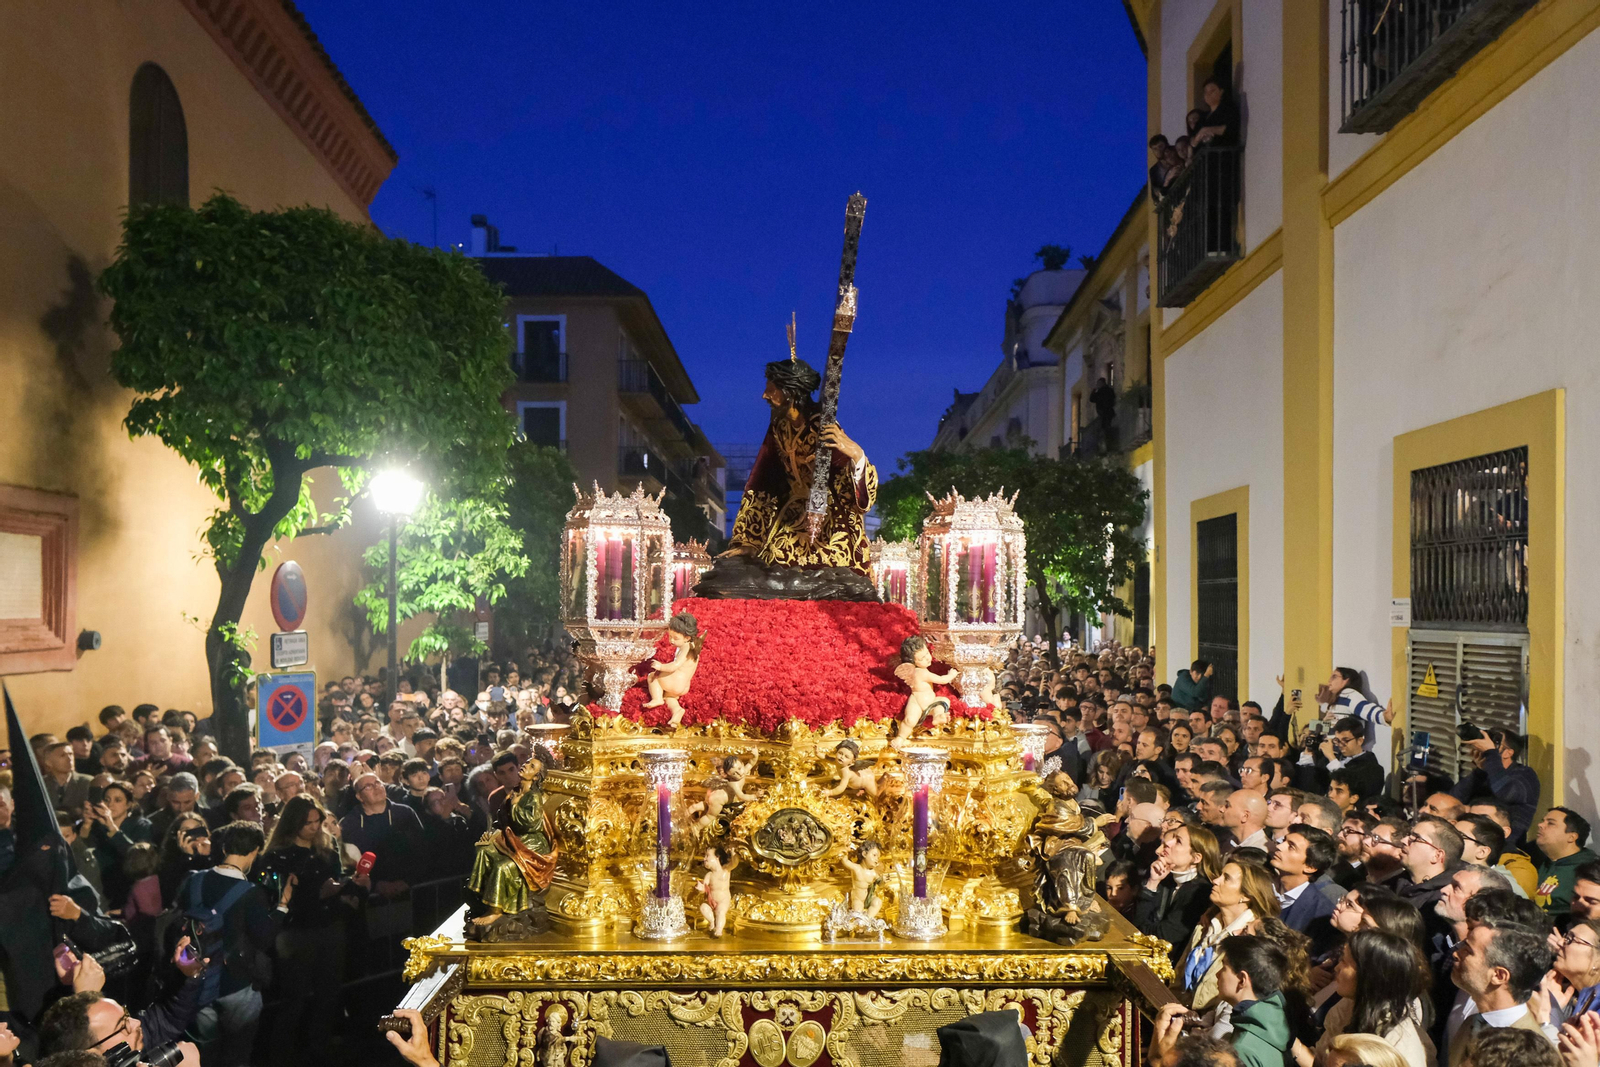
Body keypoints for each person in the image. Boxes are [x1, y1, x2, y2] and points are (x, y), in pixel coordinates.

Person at [257, 794, 362, 1066]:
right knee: (293, 998)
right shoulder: (277, 856)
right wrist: (318, 893)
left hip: (329, 927)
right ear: (294, 824)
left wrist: (351, 890)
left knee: (328, 993)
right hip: (296, 933)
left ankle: (320, 1047)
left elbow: (338, 880)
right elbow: (275, 895)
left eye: (317, 821)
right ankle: (282, 1055)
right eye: (308, 823)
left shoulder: (326, 849)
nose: (315, 827)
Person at [179, 821, 292, 1066]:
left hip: (196, 980)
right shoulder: (250, 892)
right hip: (236, 983)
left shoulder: (193, 881)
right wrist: (282, 906)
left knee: (204, 1054)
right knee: (237, 1053)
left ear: (224, 848)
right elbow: (263, 939)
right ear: (255, 851)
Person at [1303, 929, 1436, 1067]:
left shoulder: (1397, 1045)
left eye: (1344, 962)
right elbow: (1319, 1059)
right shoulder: (1347, 1006)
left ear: (1370, 976)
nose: (1337, 968)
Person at [1447, 918, 1554, 1066]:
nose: (1456, 954)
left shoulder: (1531, 1055)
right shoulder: (1472, 1023)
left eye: (1468, 951)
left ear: (1499, 976)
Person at [1178, 861, 1281, 1012]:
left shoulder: (1253, 939)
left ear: (1246, 896)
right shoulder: (1205, 925)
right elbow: (1179, 974)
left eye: (1226, 878)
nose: (1215, 880)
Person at [1137, 824, 1223, 965]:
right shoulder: (1166, 877)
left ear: (1196, 858)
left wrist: (1145, 926)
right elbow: (1138, 924)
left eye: (1178, 841)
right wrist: (1152, 883)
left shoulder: (1200, 892)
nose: (1168, 843)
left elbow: (1161, 936)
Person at [339, 772, 425, 895]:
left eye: (378, 783)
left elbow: (421, 849)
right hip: (370, 896)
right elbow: (347, 864)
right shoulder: (349, 823)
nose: (376, 788)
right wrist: (374, 884)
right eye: (368, 786)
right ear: (359, 796)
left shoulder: (404, 813)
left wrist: (408, 881)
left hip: (410, 889)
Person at [1217, 936, 1295, 1067]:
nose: (1217, 974)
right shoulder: (1275, 1028)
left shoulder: (1243, 1050)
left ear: (1242, 980)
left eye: (1224, 967)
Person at [1451, 731, 1539, 847]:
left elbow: (1505, 792)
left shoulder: (1525, 775)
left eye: (1494, 744)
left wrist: (1491, 754)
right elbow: (1454, 800)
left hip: (1502, 846)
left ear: (1508, 753)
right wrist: (1479, 771)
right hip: (1469, 839)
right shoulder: (1486, 774)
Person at [1274, 825, 1344, 953]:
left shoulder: (1321, 915)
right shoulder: (1261, 886)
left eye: (1291, 846)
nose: (1279, 847)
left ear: (1310, 867)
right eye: (1284, 841)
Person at [1534, 919, 1600, 1036]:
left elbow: (1566, 1053)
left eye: (1571, 939)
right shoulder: (1584, 997)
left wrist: (1548, 1013)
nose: (1560, 942)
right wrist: (1558, 1009)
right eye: (1565, 937)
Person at [1536, 809, 1598, 916]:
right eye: (1543, 821)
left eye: (1550, 823)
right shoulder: (1538, 861)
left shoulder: (1590, 869)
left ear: (1571, 837)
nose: (1540, 825)